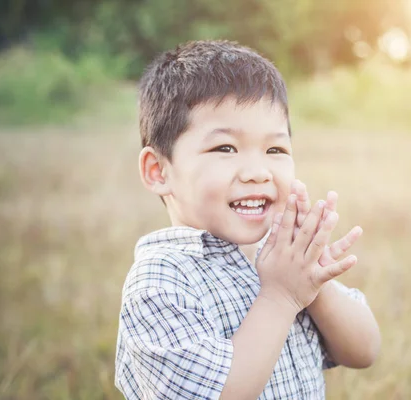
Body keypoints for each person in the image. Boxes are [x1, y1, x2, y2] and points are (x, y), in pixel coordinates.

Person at [115, 40, 381, 400]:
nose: (258, 172)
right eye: (225, 148)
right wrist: (281, 296)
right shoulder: (161, 282)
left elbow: (364, 351)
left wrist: (314, 282)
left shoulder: (278, 259)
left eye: (275, 150)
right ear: (158, 170)